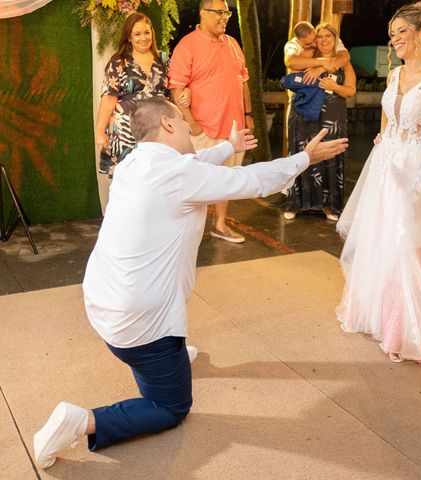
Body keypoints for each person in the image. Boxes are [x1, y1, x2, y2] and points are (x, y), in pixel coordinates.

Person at [32, 97, 348, 469]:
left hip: (103, 304)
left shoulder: (134, 161)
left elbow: (193, 165)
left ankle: (173, 356)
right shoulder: (179, 175)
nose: (188, 128)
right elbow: (250, 180)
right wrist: (305, 159)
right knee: (171, 407)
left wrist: (229, 147)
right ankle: (80, 420)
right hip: (140, 327)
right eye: (182, 121)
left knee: (166, 329)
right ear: (167, 124)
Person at [336, 1, 421, 364]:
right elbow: (388, 120)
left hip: (416, 169)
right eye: (392, 35)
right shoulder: (394, 76)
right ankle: (383, 318)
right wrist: (382, 137)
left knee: (408, 244)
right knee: (382, 240)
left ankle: (409, 329)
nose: (394, 41)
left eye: (401, 33)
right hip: (385, 165)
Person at [169, 0, 251, 244]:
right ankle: (186, 231)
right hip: (204, 130)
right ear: (203, 13)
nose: (224, 17)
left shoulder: (233, 44)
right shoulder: (188, 45)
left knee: (228, 179)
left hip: (234, 128)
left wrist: (248, 116)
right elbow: (176, 88)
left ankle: (220, 224)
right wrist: (194, 126)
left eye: (226, 13)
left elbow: (243, 81)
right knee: (198, 182)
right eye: (219, 12)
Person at [94, 12, 190, 177]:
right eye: (137, 34)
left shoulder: (164, 59)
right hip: (125, 130)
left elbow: (176, 86)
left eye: (147, 32)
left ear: (152, 32)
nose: (143, 38)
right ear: (129, 38)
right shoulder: (118, 62)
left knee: (160, 178)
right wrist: (99, 131)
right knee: (127, 180)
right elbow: (109, 98)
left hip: (160, 128)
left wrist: (187, 91)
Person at [283, 22, 356, 221]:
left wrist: (334, 85)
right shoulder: (310, 55)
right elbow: (292, 62)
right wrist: (319, 64)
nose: (323, 40)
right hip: (303, 115)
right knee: (301, 153)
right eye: (320, 36)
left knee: (330, 156)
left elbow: (351, 90)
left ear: (336, 40)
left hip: (333, 117)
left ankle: (329, 206)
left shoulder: (343, 60)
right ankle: (296, 203)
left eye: (328, 37)